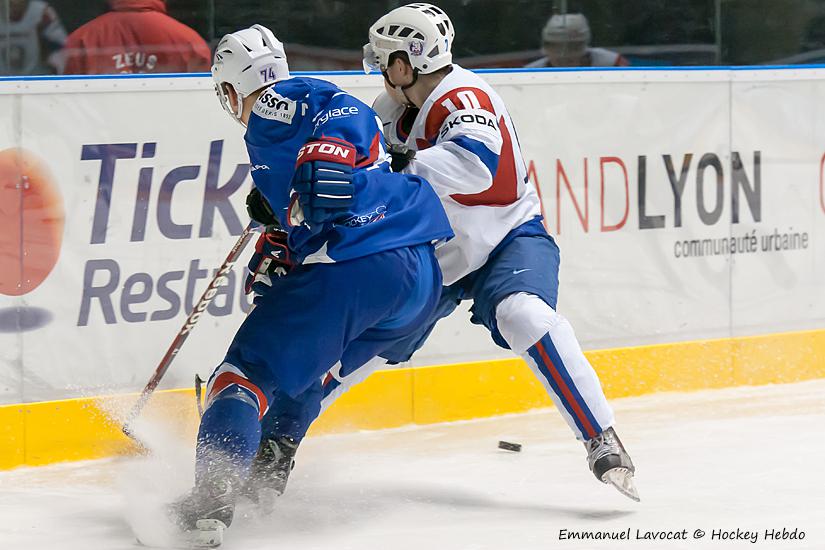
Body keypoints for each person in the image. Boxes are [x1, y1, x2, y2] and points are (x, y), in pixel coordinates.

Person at [250, 2, 638, 507]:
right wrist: (290, 190)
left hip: (506, 238)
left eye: (384, 59)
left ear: (405, 64)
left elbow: (475, 165)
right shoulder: (391, 109)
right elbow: (355, 160)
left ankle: (600, 437)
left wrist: (387, 163)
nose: (380, 70)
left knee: (524, 314)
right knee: (346, 347)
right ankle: (275, 443)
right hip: (434, 254)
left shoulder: (464, 96)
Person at [169, 24, 453, 547]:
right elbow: (308, 204)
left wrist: (327, 153)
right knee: (303, 368)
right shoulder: (278, 143)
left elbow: (345, 111)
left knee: (243, 375)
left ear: (232, 89)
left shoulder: (277, 102)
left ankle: (210, 504)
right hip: (415, 279)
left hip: (361, 261)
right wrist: (277, 241)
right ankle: (264, 475)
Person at [61, 0, 210, 74]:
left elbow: (70, 103)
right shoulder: (189, 41)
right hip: (170, 130)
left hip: (102, 130)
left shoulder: (81, 39)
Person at [525, 13, 629, 68]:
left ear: (584, 45)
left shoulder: (612, 64)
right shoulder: (529, 74)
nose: (563, 55)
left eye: (572, 47)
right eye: (555, 46)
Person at [0, 0, 67, 75]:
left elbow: (62, 46)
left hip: (35, 78)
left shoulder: (42, 12)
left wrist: (53, 62)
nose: (15, 2)